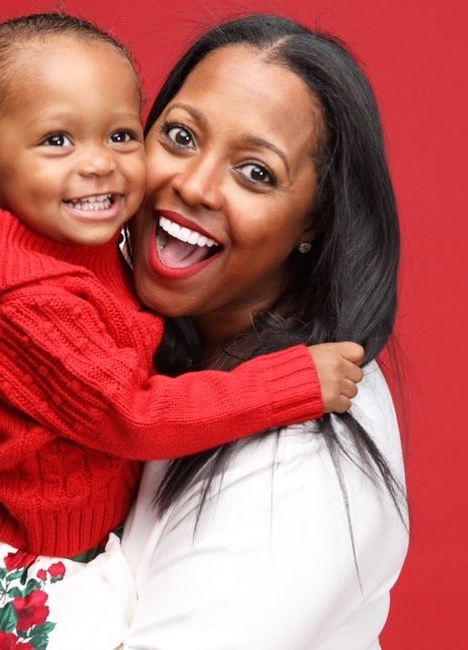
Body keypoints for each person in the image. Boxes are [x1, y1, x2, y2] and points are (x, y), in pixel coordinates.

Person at [0, 12, 364, 650]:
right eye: (56, 141)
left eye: (122, 134)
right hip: (29, 555)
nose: (99, 164)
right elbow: (132, 414)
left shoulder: (80, 234)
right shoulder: (30, 305)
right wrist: (293, 381)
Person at [121, 14, 409, 649]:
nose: (192, 185)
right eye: (178, 135)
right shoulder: (154, 354)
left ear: (315, 223)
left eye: (256, 173)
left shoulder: (299, 465)